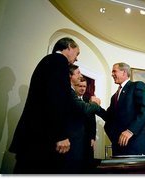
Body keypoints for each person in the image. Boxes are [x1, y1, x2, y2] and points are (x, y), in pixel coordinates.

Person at [9, 37, 101, 174]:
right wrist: (60, 135)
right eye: (77, 53)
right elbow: (55, 99)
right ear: (69, 47)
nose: (76, 59)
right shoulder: (58, 62)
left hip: (36, 135)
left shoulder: (49, 61)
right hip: (41, 138)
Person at [101, 62, 145, 156]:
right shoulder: (114, 97)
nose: (112, 74)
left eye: (114, 71)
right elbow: (109, 117)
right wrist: (95, 106)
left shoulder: (137, 86)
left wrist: (130, 130)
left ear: (124, 72)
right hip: (118, 146)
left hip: (135, 145)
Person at [74, 76, 97, 172]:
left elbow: (92, 120)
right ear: (74, 86)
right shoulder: (71, 99)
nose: (82, 88)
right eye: (80, 86)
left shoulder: (89, 100)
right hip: (74, 138)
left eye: (84, 86)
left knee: (87, 163)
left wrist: (93, 137)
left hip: (87, 138)